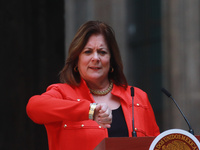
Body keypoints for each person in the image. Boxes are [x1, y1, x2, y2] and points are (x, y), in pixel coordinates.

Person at [26, 20, 160, 150]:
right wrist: (90, 110)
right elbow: (34, 107)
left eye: (102, 52)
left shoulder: (138, 97)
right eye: (88, 52)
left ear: (111, 61)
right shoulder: (62, 93)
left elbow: (157, 144)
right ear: (76, 60)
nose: (96, 58)